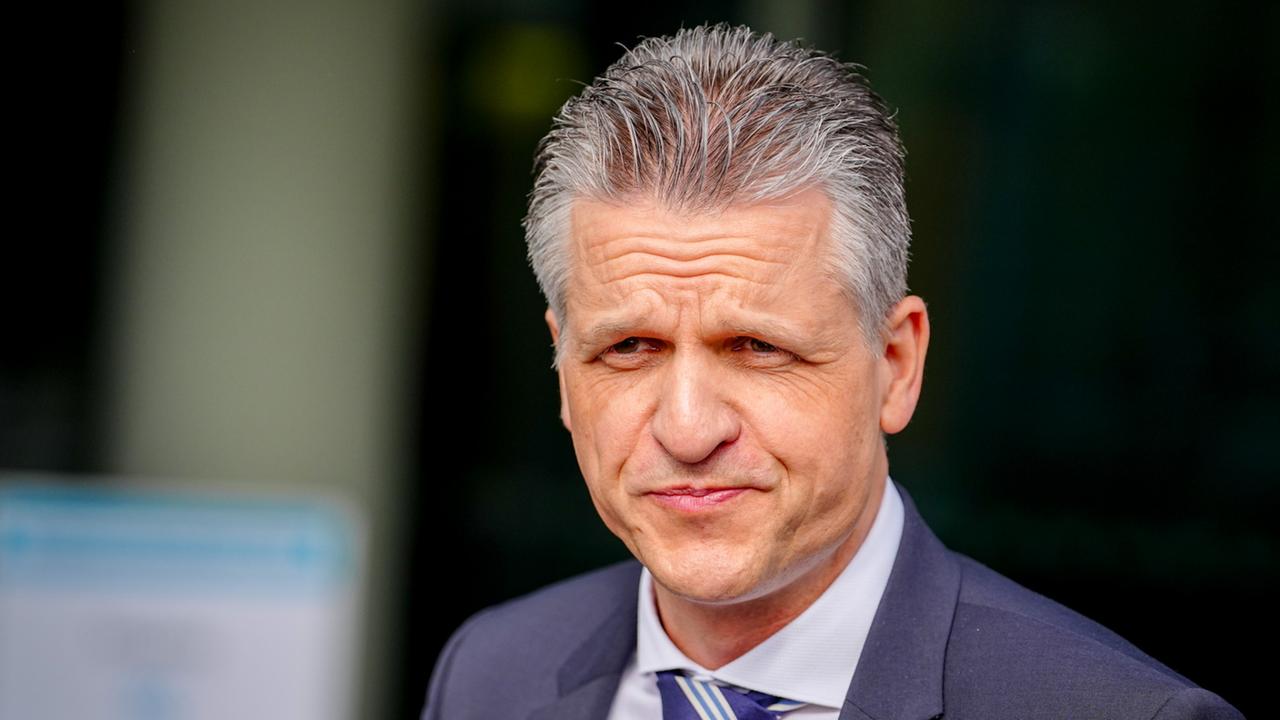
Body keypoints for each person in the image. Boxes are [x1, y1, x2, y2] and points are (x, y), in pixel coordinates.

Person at [422, 23, 1243, 720]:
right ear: (562, 368)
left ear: (897, 365)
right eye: (628, 348)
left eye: (758, 347)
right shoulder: (488, 675)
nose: (688, 429)